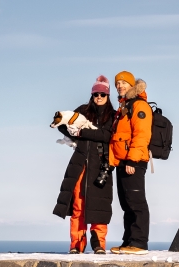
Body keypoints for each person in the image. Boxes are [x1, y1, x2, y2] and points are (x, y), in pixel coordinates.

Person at [53, 75, 115, 254]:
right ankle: (76, 244)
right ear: (92, 94)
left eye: (102, 94)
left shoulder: (112, 115)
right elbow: (62, 124)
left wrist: (81, 132)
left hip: (102, 164)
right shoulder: (82, 110)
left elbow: (107, 136)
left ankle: (98, 244)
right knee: (78, 205)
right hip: (80, 162)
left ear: (107, 96)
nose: (99, 98)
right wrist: (73, 131)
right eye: (96, 94)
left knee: (99, 205)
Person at [108, 71, 151, 255]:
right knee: (126, 204)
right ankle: (128, 242)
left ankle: (139, 243)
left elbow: (141, 135)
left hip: (134, 160)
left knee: (136, 202)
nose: (120, 86)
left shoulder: (139, 106)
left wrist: (132, 160)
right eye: (118, 83)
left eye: (124, 83)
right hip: (122, 161)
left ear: (132, 85)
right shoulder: (124, 107)